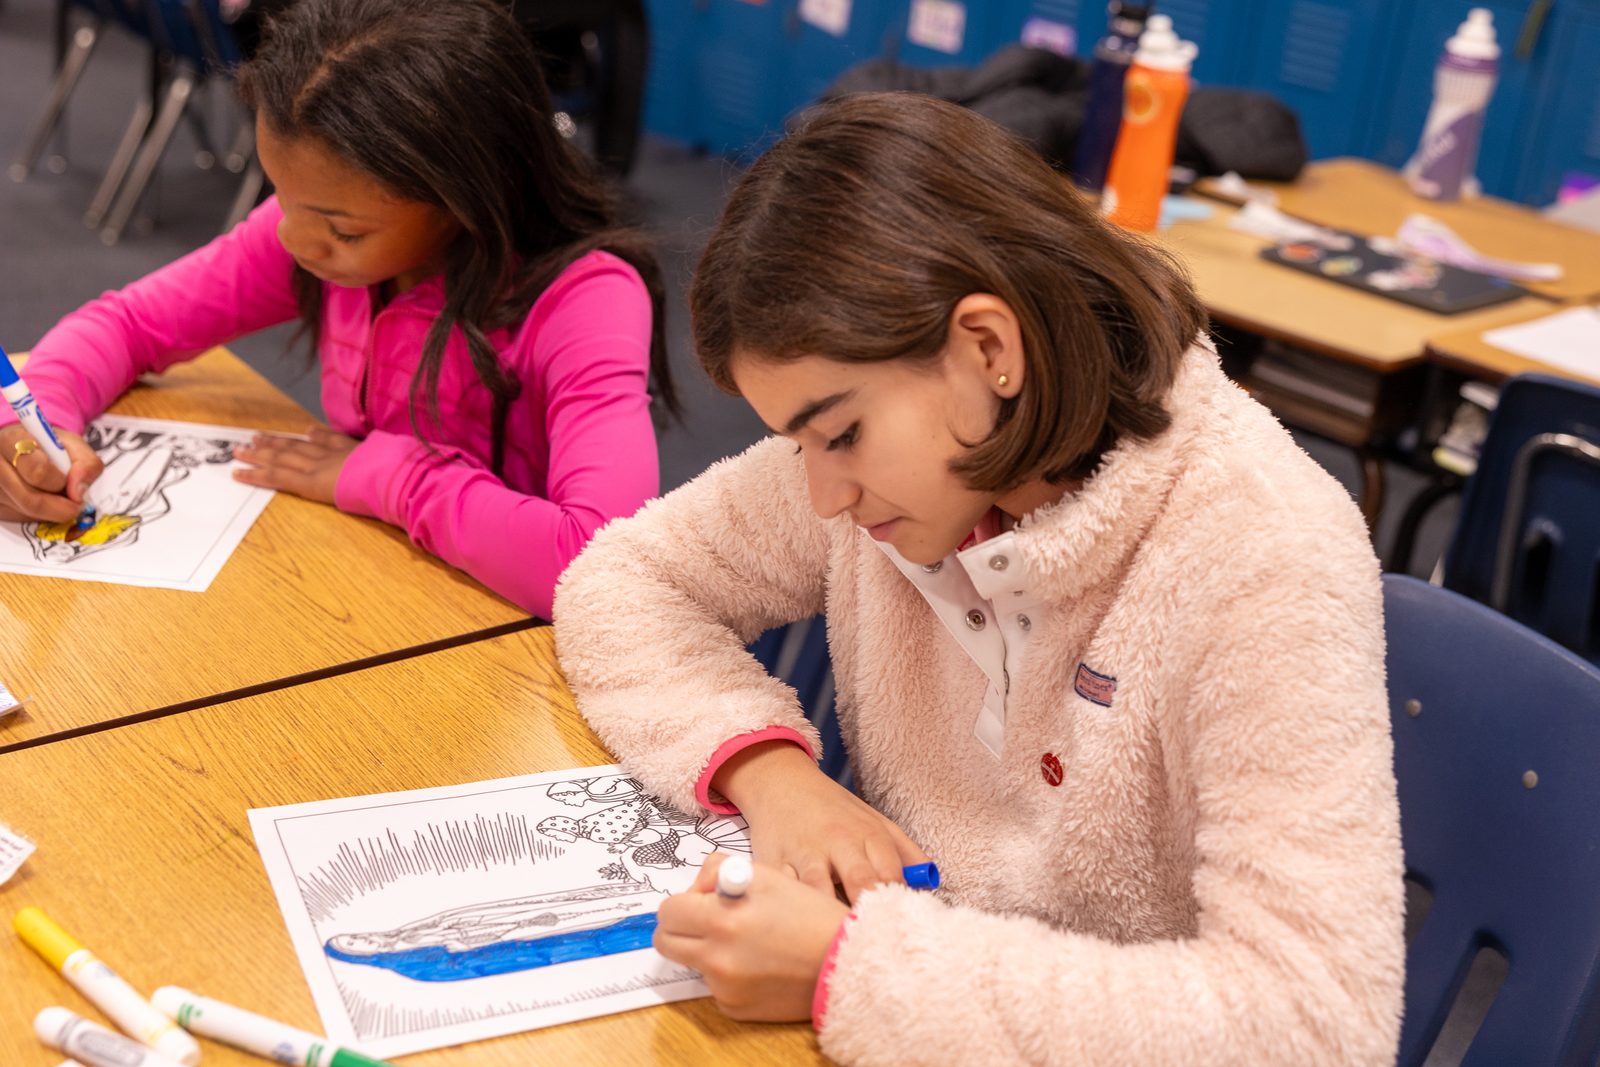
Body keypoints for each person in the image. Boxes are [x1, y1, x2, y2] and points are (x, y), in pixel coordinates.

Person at [554, 92, 1403, 1065]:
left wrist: (850, 968)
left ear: (988, 350)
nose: (824, 494)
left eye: (838, 434)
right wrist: (772, 772)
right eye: (797, 445)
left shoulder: (1259, 545)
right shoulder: (900, 464)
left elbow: (1317, 1023)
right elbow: (621, 577)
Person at [0, 0, 675, 618]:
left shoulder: (586, 298)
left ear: (465, 197)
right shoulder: (314, 230)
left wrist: (390, 476)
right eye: (279, 194)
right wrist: (36, 426)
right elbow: (127, 324)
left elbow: (601, 560)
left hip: (504, 644)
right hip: (369, 584)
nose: (291, 239)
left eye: (342, 229)